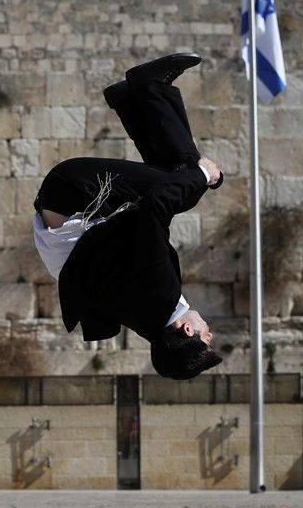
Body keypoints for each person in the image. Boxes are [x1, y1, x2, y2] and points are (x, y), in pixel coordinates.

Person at [32, 53, 224, 380]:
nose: (210, 331)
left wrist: (203, 176)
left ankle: (148, 86)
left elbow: (154, 207)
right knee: (178, 177)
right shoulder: (143, 315)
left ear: (188, 331)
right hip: (61, 199)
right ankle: (130, 98)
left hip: (76, 192)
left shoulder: (160, 294)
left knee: (186, 184)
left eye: (207, 338)